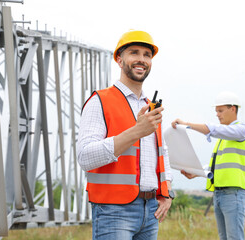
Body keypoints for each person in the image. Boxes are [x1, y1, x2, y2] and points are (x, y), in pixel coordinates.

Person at [77, 30, 174, 240]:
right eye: (134, 53)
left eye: (147, 55)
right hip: (113, 211)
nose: (141, 59)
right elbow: (85, 157)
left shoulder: (150, 108)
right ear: (119, 60)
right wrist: (135, 132)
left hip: (150, 212)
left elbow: (161, 154)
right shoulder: (99, 101)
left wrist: (167, 193)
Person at [171, 91, 245, 240]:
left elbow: (214, 129)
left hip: (233, 194)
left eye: (220, 111)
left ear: (233, 109)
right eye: (216, 111)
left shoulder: (240, 130)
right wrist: (197, 172)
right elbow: (217, 166)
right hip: (219, 194)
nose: (217, 115)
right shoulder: (223, 139)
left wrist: (187, 125)